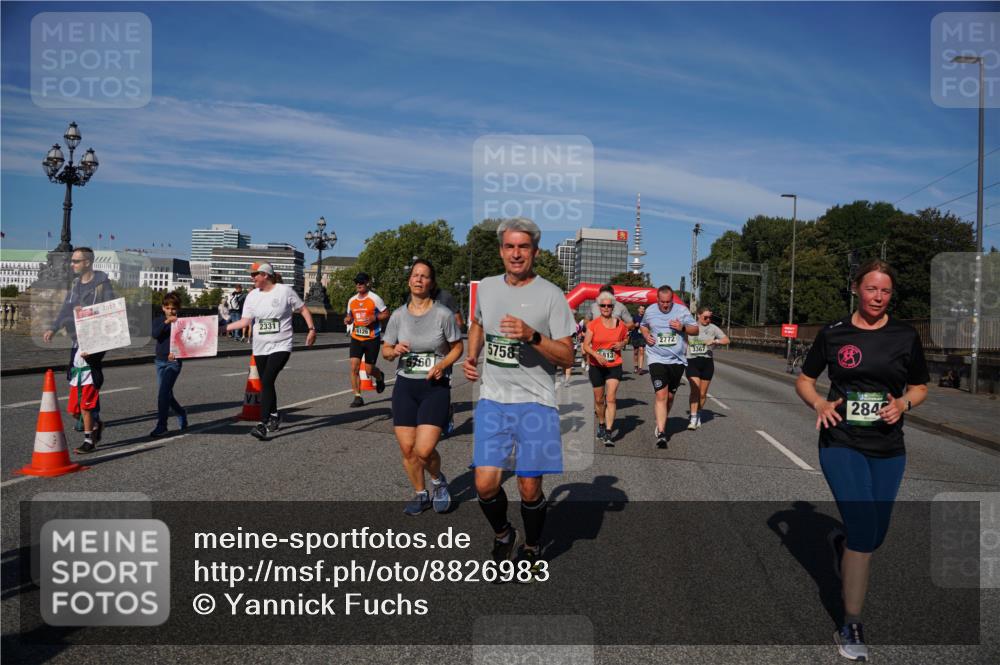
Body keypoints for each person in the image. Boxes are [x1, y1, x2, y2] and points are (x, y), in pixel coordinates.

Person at [795, 259, 928, 662]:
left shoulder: (905, 335)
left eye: (886, 291)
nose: (878, 297)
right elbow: (805, 380)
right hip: (841, 440)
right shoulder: (835, 333)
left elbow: (920, 387)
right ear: (856, 288)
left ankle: (843, 543)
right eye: (872, 289)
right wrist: (819, 403)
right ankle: (850, 623)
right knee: (864, 530)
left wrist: (903, 404)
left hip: (889, 447)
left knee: (874, 535)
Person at [463, 217, 575, 576]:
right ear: (501, 251)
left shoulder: (552, 295)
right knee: (484, 484)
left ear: (535, 252)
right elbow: (478, 322)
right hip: (493, 399)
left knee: (529, 487)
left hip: (536, 402)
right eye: (509, 246)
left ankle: (531, 544)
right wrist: (472, 355)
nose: (516, 253)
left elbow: (568, 357)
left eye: (523, 247)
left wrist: (532, 336)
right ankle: (503, 533)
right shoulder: (488, 288)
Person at [383, 259, 464, 515]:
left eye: (424, 276)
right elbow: (385, 350)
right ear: (409, 281)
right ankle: (421, 494)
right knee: (408, 449)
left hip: (434, 385)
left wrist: (443, 365)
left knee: (424, 449)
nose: (419, 279)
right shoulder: (398, 315)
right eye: (415, 275)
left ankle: (438, 481)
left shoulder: (443, 314)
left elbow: (457, 347)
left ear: (431, 283)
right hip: (405, 386)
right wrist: (393, 350)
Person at [226, 262, 317, 441]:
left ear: (266, 275)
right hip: (260, 347)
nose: (252, 278)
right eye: (252, 275)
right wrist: (223, 328)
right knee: (267, 383)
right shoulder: (252, 296)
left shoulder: (285, 291)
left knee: (267, 381)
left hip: (281, 345)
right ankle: (274, 415)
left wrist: (311, 329)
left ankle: (263, 423)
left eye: (255, 274)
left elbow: (303, 309)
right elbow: (245, 322)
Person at [43, 247, 116, 452]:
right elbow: (66, 309)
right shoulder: (75, 285)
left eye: (76, 261)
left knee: (88, 394)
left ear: (87, 262)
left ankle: (89, 438)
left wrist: (86, 311)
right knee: (74, 403)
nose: (72, 264)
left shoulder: (102, 284)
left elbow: (111, 311)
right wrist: (53, 328)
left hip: (95, 340)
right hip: (77, 341)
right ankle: (94, 422)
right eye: (72, 261)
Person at [639, 285, 698, 449]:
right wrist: (646, 335)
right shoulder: (650, 310)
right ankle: (662, 432)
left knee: (670, 398)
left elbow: (695, 330)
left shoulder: (682, 311)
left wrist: (683, 327)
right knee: (661, 395)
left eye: (668, 302)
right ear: (657, 299)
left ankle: (662, 420)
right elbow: (643, 325)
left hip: (676, 361)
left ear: (672, 299)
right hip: (656, 358)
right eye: (662, 302)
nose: (665, 305)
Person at [582, 291, 628, 446]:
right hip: (597, 366)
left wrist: (622, 344)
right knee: (599, 400)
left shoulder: (620, 324)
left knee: (611, 398)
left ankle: (608, 432)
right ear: (599, 307)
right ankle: (601, 423)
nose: (606, 308)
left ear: (613, 307)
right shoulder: (593, 325)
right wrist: (597, 355)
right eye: (603, 305)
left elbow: (626, 338)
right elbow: (585, 346)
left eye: (609, 306)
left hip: (614, 365)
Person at [344, 272, 389, 408]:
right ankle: (357, 396)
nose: (358, 284)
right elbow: (349, 316)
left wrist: (375, 318)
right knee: (354, 367)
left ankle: (379, 376)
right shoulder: (352, 300)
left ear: (368, 283)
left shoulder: (375, 298)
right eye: (356, 282)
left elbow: (386, 313)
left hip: (372, 338)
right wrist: (348, 319)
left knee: (369, 370)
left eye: (361, 282)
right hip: (356, 338)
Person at [149, 292, 189, 437]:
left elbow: (188, 342)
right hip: (160, 361)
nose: (171, 311)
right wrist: (167, 322)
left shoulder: (182, 323)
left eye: (174, 308)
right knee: (166, 394)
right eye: (168, 308)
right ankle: (181, 412)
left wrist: (178, 353)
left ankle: (162, 425)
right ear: (163, 308)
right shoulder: (159, 320)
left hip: (174, 362)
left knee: (163, 393)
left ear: (178, 309)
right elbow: (155, 334)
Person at [685, 306, 729, 430]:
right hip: (692, 361)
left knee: (703, 394)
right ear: (698, 315)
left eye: (710, 317)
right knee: (695, 390)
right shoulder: (691, 326)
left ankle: (698, 413)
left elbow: (727, 340)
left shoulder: (713, 328)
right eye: (705, 317)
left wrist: (715, 341)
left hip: (707, 363)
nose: (708, 320)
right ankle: (693, 418)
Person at [630, 304, 647, 374]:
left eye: (643, 309)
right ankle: (636, 366)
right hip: (635, 335)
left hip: (642, 336)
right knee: (636, 352)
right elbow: (630, 326)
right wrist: (634, 325)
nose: (642, 310)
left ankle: (640, 368)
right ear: (638, 310)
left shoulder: (646, 317)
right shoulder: (634, 317)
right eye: (641, 309)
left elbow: (649, 326)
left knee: (642, 350)